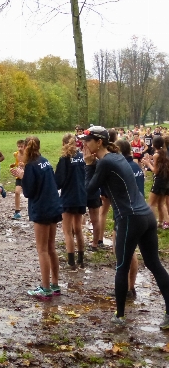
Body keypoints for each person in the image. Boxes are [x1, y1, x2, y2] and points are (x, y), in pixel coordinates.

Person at [81, 126, 169, 327]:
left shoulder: (105, 162)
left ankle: (119, 317)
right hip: (146, 215)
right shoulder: (116, 157)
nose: (84, 144)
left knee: (121, 266)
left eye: (88, 141)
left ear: (99, 142)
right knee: (154, 264)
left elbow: (89, 190)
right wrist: (93, 163)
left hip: (130, 217)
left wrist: (87, 164)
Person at [10, 136, 62, 299]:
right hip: (54, 206)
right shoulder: (45, 161)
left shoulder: (31, 166)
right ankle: (54, 285)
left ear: (25, 148)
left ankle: (45, 289)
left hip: (41, 209)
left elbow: (29, 192)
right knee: (51, 247)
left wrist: (22, 176)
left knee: (42, 250)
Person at [114, 138, 142, 298]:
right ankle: (130, 287)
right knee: (131, 251)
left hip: (127, 213)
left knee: (125, 252)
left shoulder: (122, 168)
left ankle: (126, 289)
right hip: (138, 211)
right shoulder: (135, 166)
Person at [55, 133, 87, 271]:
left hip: (68, 197)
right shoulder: (82, 157)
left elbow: (58, 182)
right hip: (81, 196)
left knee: (67, 231)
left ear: (63, 144)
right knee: (78, 229)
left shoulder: (64, 159)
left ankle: (71, 262)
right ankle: (81, 259)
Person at [142, 136, 169, 229]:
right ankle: (162, 222)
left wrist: (147, 163)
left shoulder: (156, 154)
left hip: (158, 180)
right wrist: (150, 161)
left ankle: (151, 224)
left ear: (154, 144)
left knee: (151, 203)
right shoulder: (164, 152)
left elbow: (156, 171)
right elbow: (160, 167)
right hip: (165, 179)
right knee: (161, 203)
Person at [11, 139, 25, 220]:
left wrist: (24, 165)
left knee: (32, 193)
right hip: (19, 176)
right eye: (18, 146)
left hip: (27, 176)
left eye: (21, 146)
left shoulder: (28, 154)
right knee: (17, 192)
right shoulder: (16, 154)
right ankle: (17, 211)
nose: (20, 148)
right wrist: (13, 165)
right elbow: (17, 163)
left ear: (25, 147)